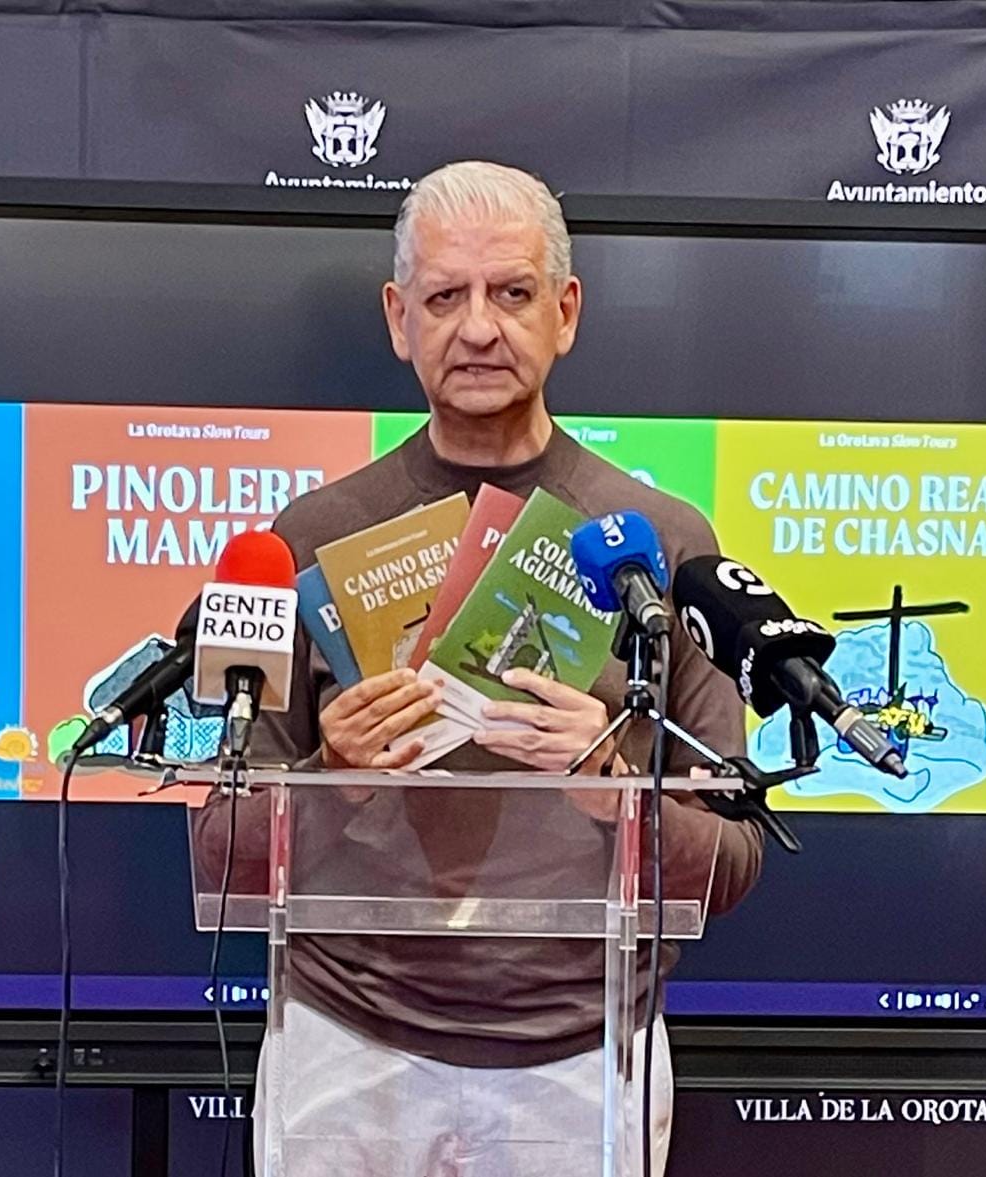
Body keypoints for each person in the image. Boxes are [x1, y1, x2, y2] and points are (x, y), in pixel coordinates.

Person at [194, 160, 763, 1176]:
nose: (478, 328)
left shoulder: (660, 544)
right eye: (444, 297)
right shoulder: (309, 537)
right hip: (345, 1041)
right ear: (397, 318)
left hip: (586, 1053)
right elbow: (218, 855)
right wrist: (332, 774)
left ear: (565, 311)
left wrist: (608, 787)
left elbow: (732, 861)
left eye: (512, 293)